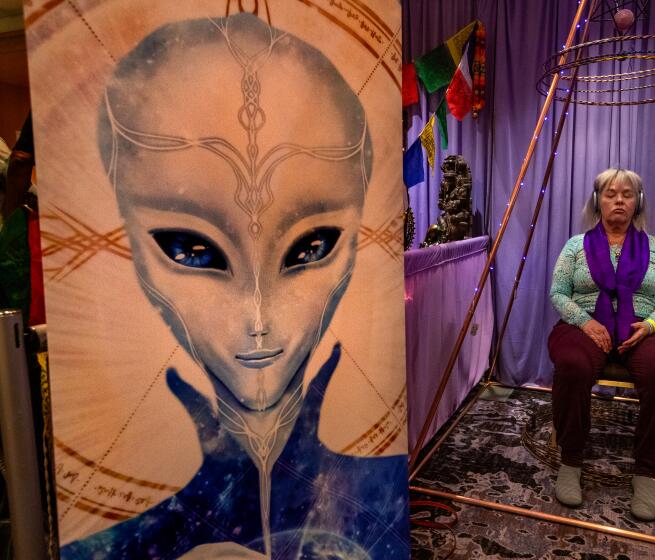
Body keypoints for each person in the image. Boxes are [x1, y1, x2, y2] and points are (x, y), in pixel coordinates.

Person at [60, 13, 407, 559]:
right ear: (127, 240)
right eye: (191, 250)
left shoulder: (381, 494)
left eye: (311, 246)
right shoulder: (109, 542)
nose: (259, 318)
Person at [547, 168, 655, 521]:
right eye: (610, 193)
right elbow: (558, 292)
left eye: (627, 194)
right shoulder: (576, 245)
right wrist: (585, 322)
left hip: (641, 329)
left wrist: (651, 324)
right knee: (573, 367)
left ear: (637, 202)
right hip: (584, 326)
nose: (619, 200)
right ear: (598, 201)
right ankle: (571, 460)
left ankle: (646, 472)